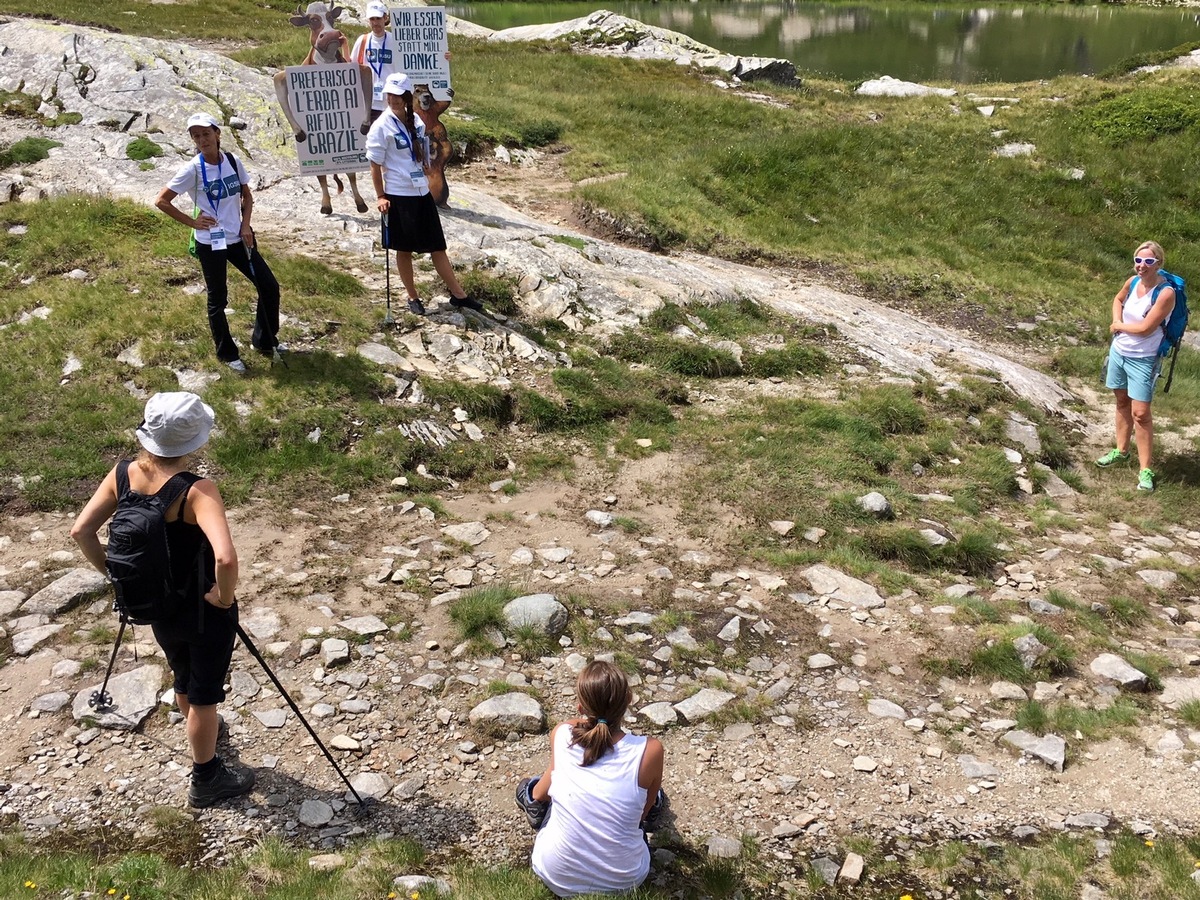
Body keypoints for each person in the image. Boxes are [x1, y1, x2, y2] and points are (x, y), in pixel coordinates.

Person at [71, 392, 254, 808]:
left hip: (155, 603)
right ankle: (206, 777)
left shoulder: (123, 473)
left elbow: (81, 531)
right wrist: (223, 598)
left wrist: (116, 577)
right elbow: (225, 557)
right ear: (194, 441)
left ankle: (195, 723)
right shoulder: (196, 491)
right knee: (206, 693)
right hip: (203, 610)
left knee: (182, 671)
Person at [515, 660, 666, 898]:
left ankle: (531, 799)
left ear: (579, 706)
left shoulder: (562, 733)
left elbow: (551, 783)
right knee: (650, 797)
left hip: (557, 875)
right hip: (624, 881)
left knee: (549, 787)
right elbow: (640, 817)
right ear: (628, 699)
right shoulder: (650, 750)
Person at [155, 113, 283, 374]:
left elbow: (246, 195)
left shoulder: (233, 161)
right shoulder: (192, 169)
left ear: (217, 134)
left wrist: (245, 225)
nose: (202, 140)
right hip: (210, 242)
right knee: (218, 299)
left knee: (269, 286)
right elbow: (162, 201)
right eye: (196, 136)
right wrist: (192, 223)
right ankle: (227, 353)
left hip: (238, 237)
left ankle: (265, 341)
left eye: (206, 133)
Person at [366, 72, 482, 317]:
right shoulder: (381, 126)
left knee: (437, 246)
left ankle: (459, 295)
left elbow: (423, 148)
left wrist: (426, 161)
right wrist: (380, 196)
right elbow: (375, 165)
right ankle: (412, 296)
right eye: (389, 94)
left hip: (421, 192)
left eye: (397, 95)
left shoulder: (416, 121)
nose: (392, 99)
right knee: (404, 248)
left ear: (407, 97)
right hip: (398, 194)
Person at [1097, 240, 1176, 493]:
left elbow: (1145, 329)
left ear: (1159, 264)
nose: (1142, 266)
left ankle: (1145, 470)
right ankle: (1121, 451)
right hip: (1119, 351)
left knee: (1141, 414)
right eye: (1138, 260)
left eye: (1148, 261)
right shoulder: (1132, 283)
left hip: (1144, 358)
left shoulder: (1166, 293)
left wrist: (1118, 327)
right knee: (1121, 401)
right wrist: (1116, 318)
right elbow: (1117, 299)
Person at [351, 1, 401, 127]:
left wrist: (443, 57)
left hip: (392, 104)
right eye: (372, 19)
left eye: (378, 18)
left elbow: (414, 64)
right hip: (368, 105)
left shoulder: (396, 41)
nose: (375, 22)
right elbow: (350, 68)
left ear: (385, 18)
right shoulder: (362, 41)